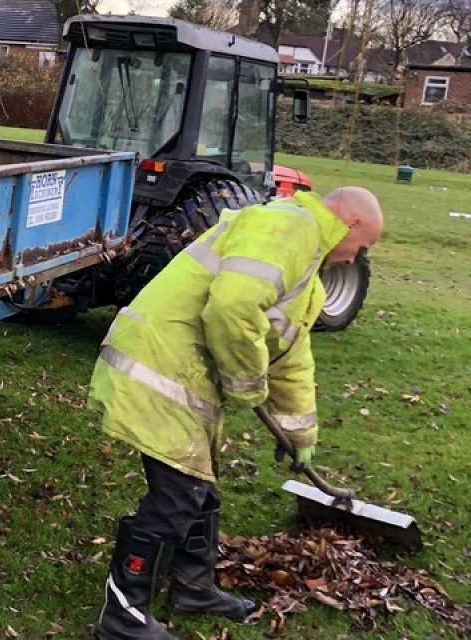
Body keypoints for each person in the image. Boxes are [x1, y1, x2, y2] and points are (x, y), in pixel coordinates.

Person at [89, 187, 385, 640]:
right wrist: (246, 385)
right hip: (159, 364)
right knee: (176, 498)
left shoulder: (308, 275)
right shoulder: (288, 227)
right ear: (350, 223)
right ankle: (122, 619)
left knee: (199, 491)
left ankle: (193, 589)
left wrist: (300, 435)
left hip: (187, 374)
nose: (353, 259)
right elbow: (232, 309)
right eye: (361, 247)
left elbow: (292, 361)